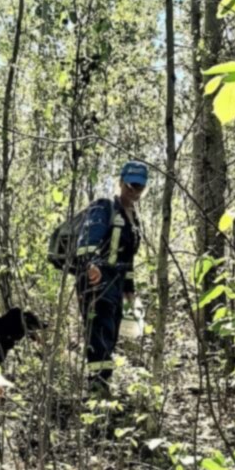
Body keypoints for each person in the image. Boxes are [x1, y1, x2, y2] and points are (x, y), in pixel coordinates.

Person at [74, 160, 147, 397]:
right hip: (96, 281)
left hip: (116, 283)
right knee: (99, 333)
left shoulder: (133, 219)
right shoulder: (104, 207)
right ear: (120, 182)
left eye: (139, 187)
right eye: (130, 186)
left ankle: (103, 386)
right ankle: (96, 392)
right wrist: (91, 265)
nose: (134, 192)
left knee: (111, 334)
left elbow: (128, 259)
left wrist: (129, 288)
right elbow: (86, 242)